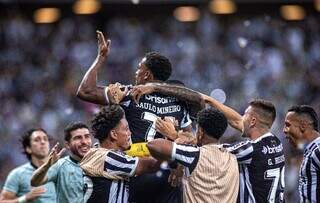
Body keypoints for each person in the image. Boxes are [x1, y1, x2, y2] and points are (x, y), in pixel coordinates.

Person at [76, 31, 203, 202]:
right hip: (168, 175)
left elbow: (85, 91)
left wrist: (100, 59)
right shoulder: (180, 101)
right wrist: (178, 163)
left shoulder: (130, 93)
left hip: (136, 170)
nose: (136, 72)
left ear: (147, 75)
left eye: (139, 69)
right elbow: (189, 138)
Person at [131, 83, 285, 203]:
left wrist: (175, 135)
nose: (241, 117)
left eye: (245, 114)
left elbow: (210, 148)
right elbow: (236, 121)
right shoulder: (275, 142)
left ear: (253, 121)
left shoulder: (249, 149)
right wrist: (210, 100)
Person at [147, 108, 239, 203]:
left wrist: (174, 136)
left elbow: (153, 145)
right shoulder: (233, 155)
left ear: (200, 132)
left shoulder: (194, 154)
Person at [80, 104, 160, 203]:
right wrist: (172, 143)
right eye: (126, 129)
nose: (129, 133)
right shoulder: (109, 159)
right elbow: (151, 165)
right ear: (114, 134)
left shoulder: (96, 152)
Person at [30, 122, 92, 203]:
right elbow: (35, 182)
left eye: (87, 137)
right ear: (67, 145)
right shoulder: (60, 165)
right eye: (78, 138)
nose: (84, 142)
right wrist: (47, 164)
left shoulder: (100, 163)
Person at [0, 129, 56, 203]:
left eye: (45, 139)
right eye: (37, 140)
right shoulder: (17, 174)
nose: (43, 142)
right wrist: (24, 198)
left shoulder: (58, 170)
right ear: (28, 149)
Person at [283, 105, 320, 203]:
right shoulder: (311, 151)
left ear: (303, 126)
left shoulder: (318, 150)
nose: (284, 130)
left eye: (288, 125)